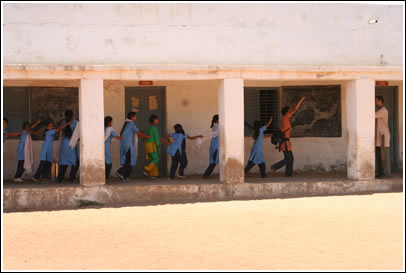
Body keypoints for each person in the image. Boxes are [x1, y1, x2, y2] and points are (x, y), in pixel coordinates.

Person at [271, 97, 305, 177]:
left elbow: (279, 133)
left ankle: (288, 174)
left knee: (290, 159)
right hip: (285, 143)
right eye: (289, 111)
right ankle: (275, 166)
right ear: (286, 112)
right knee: (288, 159)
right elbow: (295, 109)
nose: (290, 112)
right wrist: (301, 100)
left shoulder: (281, 120)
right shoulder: (286, 118)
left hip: (284, 142)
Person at [115, 112, 150, 181]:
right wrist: (146, 136)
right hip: (128, 144)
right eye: (135, 116)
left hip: (125, 144)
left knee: (129, 160)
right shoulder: (131, 123)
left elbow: (136, 134)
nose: (136, 118)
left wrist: (143, 137)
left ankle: (125, 176)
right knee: (130, 160)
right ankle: (119, 171)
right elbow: (138, 132)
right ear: (132, 117)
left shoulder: (127, 123)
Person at [144, 115, 171, 179]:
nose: (157, 120)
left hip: (149, 145)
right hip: (151, 145)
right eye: (157, 119)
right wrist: (166, 142)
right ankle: (146, 169)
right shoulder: (154, 128)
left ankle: (153, 174)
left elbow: (157, 138)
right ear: (154, 120)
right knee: (156, 159)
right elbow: (158, 139)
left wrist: (165, 142)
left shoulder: (150, 128)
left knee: (153, 159)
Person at [57, 110, 79, 182]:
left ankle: (60, 178)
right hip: (72, 143)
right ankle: (72, 178)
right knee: (74, 161)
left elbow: (60, 131)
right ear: (72, 115)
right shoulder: (75, 122)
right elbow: (78, 132)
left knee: (63, 161)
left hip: (65, 143)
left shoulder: (63, 123)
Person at [375, 96, 391, 178]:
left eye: (376, 101)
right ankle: (381, 172)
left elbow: (372, 115)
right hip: (379, 137)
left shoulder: (383, 111)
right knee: (379, 156)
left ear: (380, 101)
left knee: (384, 156)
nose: (375, 103)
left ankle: (387, 173)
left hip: (383, 136)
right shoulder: (380, 111)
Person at [203, 114, 219, 178]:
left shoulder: (215, 125)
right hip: (216, 145)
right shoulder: (217, 126)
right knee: (213, 161)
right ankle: (206, 174)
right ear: (217, 120)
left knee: (214, 161)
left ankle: (207, 174)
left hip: (215, 144)